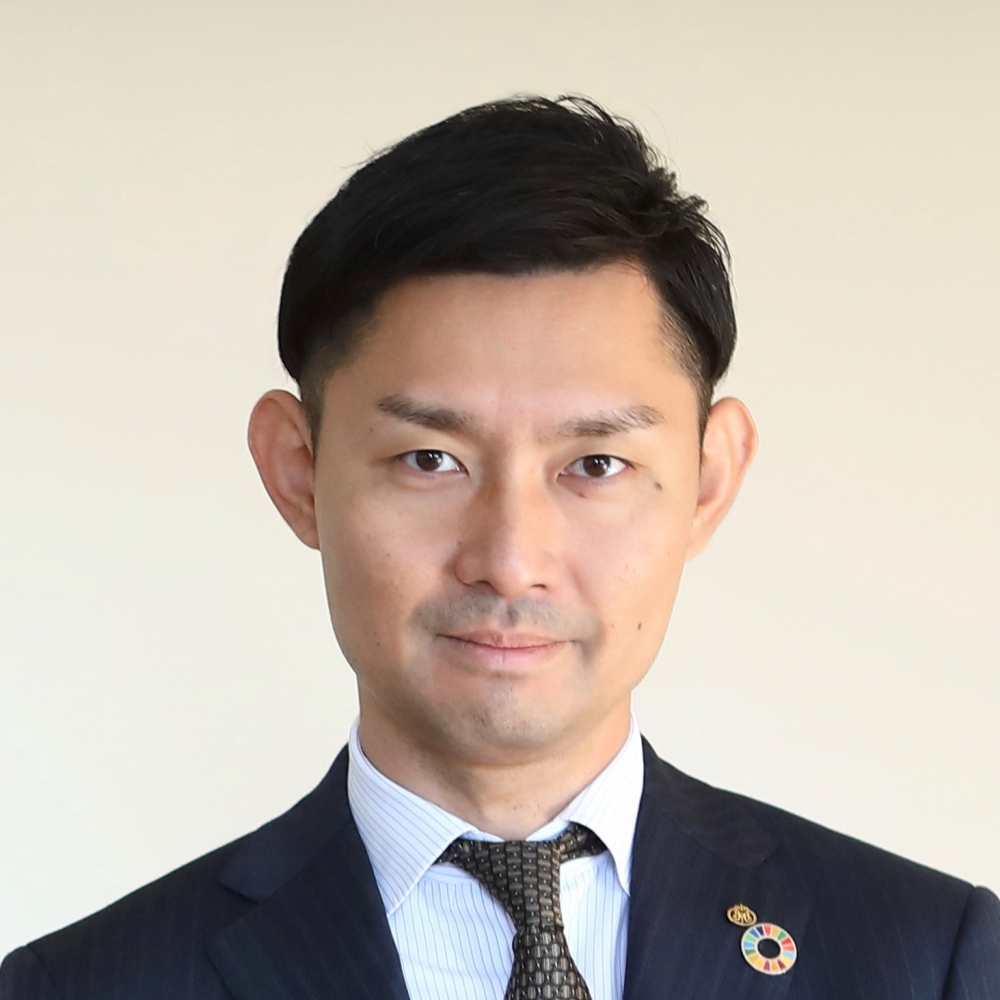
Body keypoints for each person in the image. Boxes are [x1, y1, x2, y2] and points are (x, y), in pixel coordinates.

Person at [1, 94, 997, 1000]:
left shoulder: (931, 958)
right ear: (298, 471)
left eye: (595, 464)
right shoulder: (82, 987)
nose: (511, 559)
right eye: (430, 460)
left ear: (708, 479)